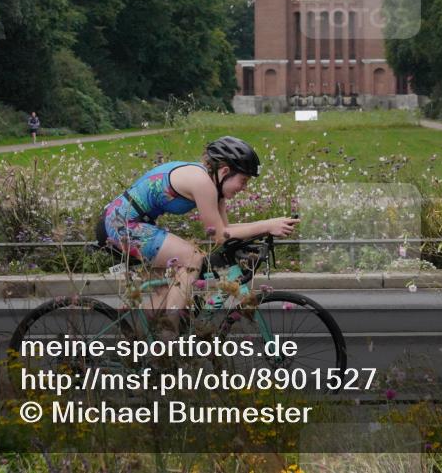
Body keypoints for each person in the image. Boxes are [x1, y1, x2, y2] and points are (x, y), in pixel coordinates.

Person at [96, 136, 298, 333]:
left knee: (163, 298)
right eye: (243, 180)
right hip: (120, 225)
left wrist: (268, 226)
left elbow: (225, 230)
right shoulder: (202, 183)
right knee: (192, 258)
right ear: (225, 171)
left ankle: (141, 348)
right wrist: (266, 225)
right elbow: (220, 236)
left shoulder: (214, 185)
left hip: (131, 223)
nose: (244, 188)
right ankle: (169, 336)